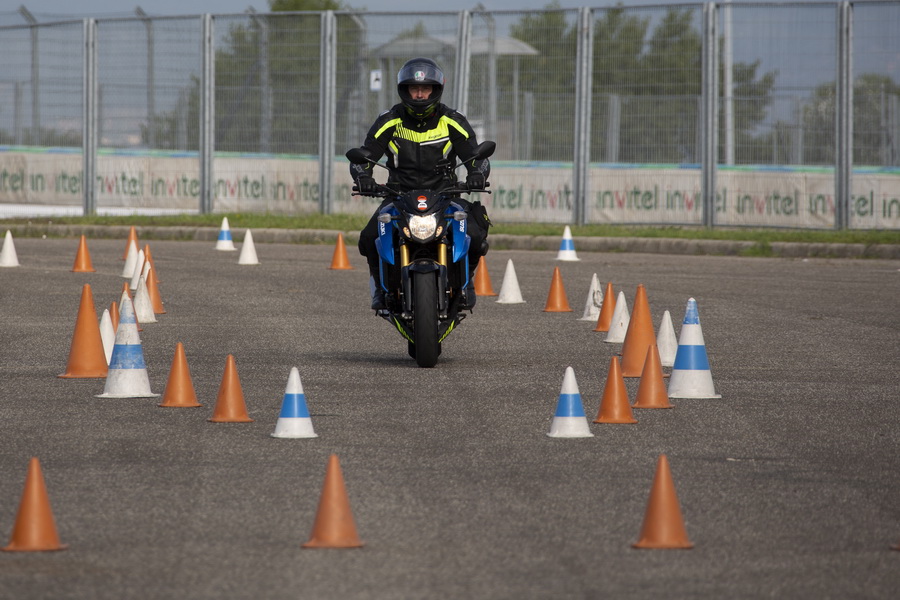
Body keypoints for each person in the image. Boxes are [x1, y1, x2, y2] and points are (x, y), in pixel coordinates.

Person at [351, 57, 491, 310]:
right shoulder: (389, 120)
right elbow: (364, 157)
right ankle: (381, 289)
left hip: (445, 194)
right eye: (413, 89)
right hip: (398, 195)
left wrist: (476, 175)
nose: (419, 94)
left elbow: (476, 157)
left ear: (435, 90)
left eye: (424, 88)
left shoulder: (453, 120)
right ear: (403, 90)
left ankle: (465, 283)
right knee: (369, 237)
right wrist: (364, 178)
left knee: (475, 234)